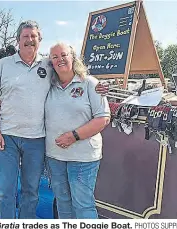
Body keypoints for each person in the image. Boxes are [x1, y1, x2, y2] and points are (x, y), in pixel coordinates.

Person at [0, 20, 108, 219]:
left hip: (36, 140)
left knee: (31, 192)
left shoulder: (48, 64)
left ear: (39, 40)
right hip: (7, 138)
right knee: (4, 192)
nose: (29, 40)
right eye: (25, 36)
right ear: (18, 40)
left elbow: (72, 72)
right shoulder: (3, 65)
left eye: (33, 36)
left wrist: (101, 86)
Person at [44, 42, 110, 219]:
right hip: (55, 157)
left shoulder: (90, 84)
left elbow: (103, 118)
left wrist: (73, 136)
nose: (60, 60)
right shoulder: (48, 87)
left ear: (73, 57)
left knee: (83, 206)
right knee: (63, 203)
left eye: (64, 55)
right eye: (55, 57)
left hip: (83, 158)